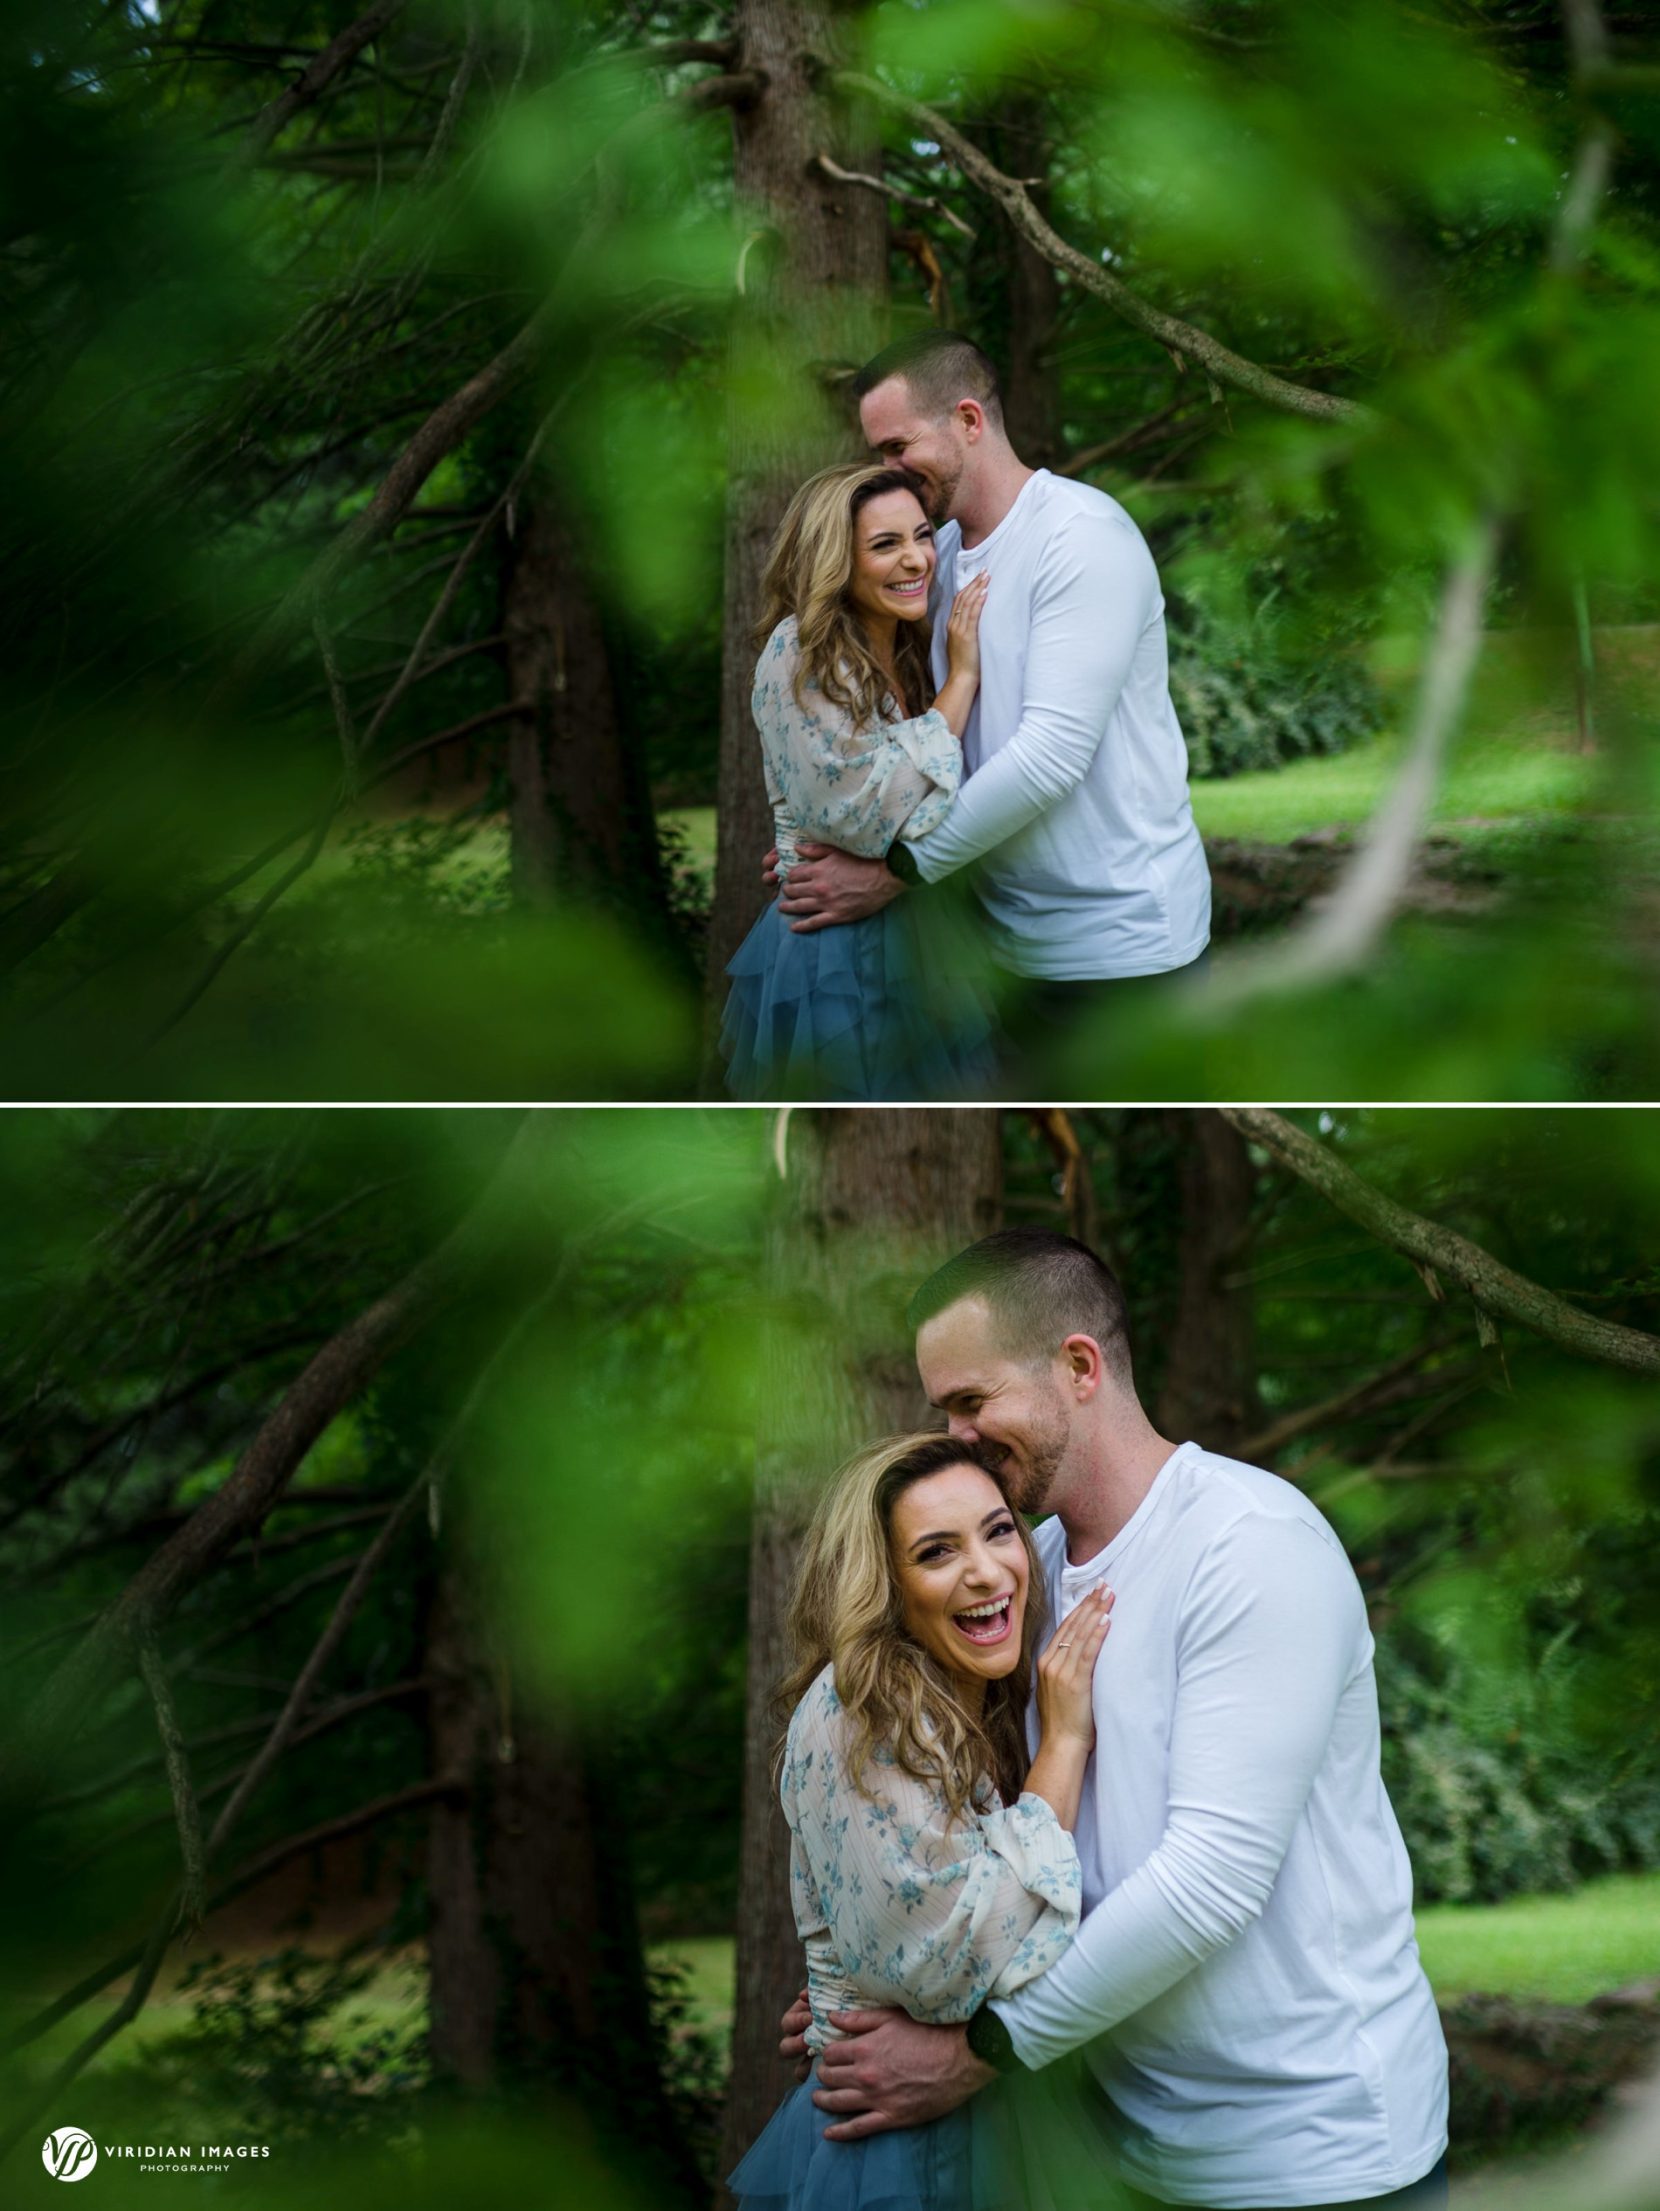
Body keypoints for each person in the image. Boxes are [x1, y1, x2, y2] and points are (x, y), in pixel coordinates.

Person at [782, 1230, 1451, 2211]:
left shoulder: (1247, 1546)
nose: (956, 1436)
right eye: (944, 1410)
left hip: (1308, 2154)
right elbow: (979, 1833)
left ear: (1079, 1367)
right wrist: (880, 1994)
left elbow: (1210, 1880)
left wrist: (980, 2048)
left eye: (972, 1402)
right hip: (1120, 2148)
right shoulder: (1019, 1569)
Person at [772, 333, 1213, 1085]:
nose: (885, 470)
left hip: (1121, 948)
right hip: (1003, 947)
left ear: (969, 420)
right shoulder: (929, 557)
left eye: (897, 444)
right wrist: (833, 829)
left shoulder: (1080, 538)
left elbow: (1049, 759)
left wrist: (891, 873)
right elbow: (918, 735)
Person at [728, 1430, 1117, 2211]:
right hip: (906, 2147)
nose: (986, 1570)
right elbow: (946, 1969)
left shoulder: (962, 1695)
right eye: (937, 1551)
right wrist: (1066, 1746)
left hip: (986, 2119)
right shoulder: (860, 1711)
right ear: (887, 1585)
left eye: (999, 1530)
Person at [719, 460, 999, 1101]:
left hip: (923, 928)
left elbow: (920, 797)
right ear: (835, 562)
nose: (917, 560)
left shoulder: (909, 647)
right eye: (885, 544)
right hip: (835, 949)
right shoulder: (800, 652)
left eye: (922, 536)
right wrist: (960, 684)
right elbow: (873, 817)